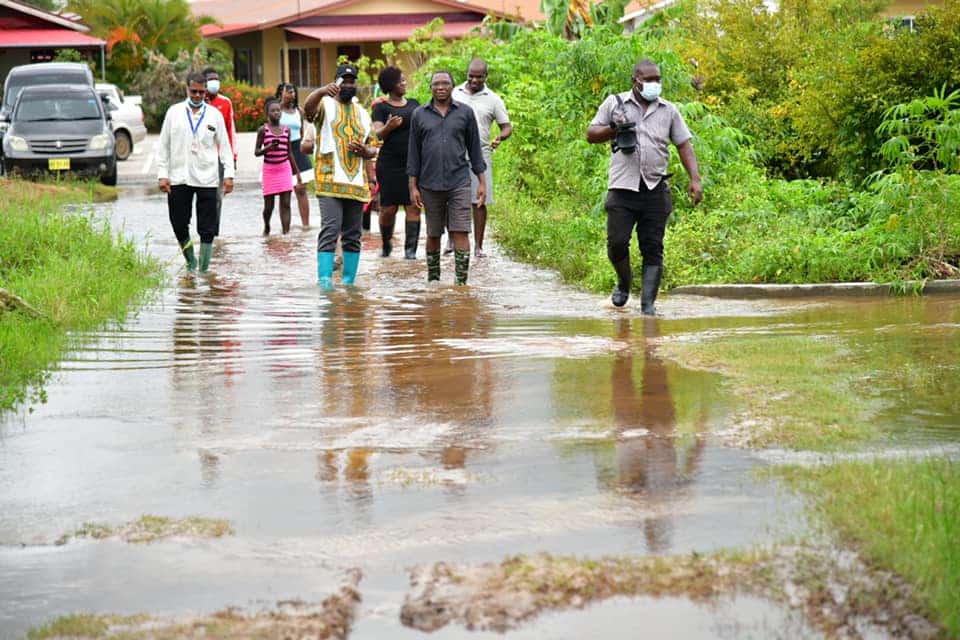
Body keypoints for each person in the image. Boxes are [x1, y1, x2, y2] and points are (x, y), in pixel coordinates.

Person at [586, 58, 703, 314]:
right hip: (622, 188)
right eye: (649, 80)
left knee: (653, 247)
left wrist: (695, 179)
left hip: (655, 188)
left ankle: (648, 306)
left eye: (657, 80)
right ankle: (623, 284)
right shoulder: (615, 104)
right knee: (617, 243)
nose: (654, 84)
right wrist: (614, 128)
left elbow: (684, 144)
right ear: (635, 81)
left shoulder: (668, 110)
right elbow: (591, 134)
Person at [408, 70, 486, 286]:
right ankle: (433, 281)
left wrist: (482, 181)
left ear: (453, 87)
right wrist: (413, 186)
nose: (440, 87)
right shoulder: (419, 115)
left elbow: (475, 149)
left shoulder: (465, 113)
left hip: (459, 181)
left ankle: (461, 283)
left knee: (460, 230)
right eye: (436, 84)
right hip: (429, 183)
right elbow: (413, 152)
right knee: (433, 233)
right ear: (430, 88)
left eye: (445, 83)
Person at [303, 63, 377, 290]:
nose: (347, 85)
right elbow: (307, 110)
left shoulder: (363, 114)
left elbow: (373, 147)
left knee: (353, 235)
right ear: (334, 82)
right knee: (330, 229)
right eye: (343, 81)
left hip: (355, 184)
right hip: (329, 181)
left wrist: (366, 153)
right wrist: (320, 92)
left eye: (351, 81)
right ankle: (325, 282)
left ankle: (349, 283)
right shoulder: (324, 105)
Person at [157, 71, 235, 273]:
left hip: (207, 177)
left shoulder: (214, 115)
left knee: (207, 227)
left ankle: (203, 270)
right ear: (187, 89)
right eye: (194, 91)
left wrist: (228, 175)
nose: (198, 96)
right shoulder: (173, 113)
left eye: (201, 92)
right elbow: (163, 146)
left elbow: (224, 147)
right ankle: (191, 261)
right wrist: (162, 174)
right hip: (178, 176)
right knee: (178, 222)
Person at [451, 58, 512, 258]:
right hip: (454, 152)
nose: (474, 80)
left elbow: (507, 127)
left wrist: (500, 138)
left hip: (481, 153)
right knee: (450, 198)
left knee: (479, 200)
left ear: (486, 76)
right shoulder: (455, 93)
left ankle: (478, 246)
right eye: (471, 76)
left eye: (479, 77)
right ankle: (452, 241)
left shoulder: (493, 99)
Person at [371, 66, 421, 259]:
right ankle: (386, 244)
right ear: (391, 85)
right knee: (388, 208)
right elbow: (378, 134)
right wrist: (388, 127)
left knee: (414, 206)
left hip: (413, 163)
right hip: (389, 164)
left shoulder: (415, 104)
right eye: (401, 81)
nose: (404, 83)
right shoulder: (381, 108)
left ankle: (410, 253)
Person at [255, 97, 302, 235]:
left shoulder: (286, 130)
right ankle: (267, 227)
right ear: (267, 113)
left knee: (286, 203)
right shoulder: (262, 130)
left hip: (284, 168)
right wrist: (267, 148)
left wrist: (297, 172)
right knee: (269, 206)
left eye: (278, 110)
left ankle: (286, 233)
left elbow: (289, 152)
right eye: (273, 111)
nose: (276, 113)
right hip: (269, 170)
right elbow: (256, 152)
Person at [203, 66, 237, 237]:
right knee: (202, 195)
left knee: (217, 197)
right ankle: (203, 230)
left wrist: (233, 157)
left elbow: (231, 132)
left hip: (219, 157)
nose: (214, 82)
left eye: (216, 79)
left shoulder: (225, 103)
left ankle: (213, 234)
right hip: (200, 157)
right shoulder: (198, 103)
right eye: (210, 79)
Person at [275, 82, 312, 228]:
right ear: (281, 93)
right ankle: (285, 228)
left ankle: (306, 226)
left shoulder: (299, 111)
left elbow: (302, 130)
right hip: (282, 149)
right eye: (288, 91)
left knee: (301, 188)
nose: (292, 94)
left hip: (298, 149)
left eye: (293, 91)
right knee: (284, 191)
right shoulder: (276, 110)